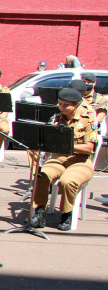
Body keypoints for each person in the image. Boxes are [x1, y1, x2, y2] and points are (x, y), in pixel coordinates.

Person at [29, 87, 97, 231]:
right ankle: (40, 211)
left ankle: (67, 213)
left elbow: (89, 148)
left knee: (67, 181)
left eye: (66, 105)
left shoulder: (88, 119)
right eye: (60, 104)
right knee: (42, 175)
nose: (61, 107)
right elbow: (48, 145)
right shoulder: (57, 118)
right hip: (59, 159)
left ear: (76, 104)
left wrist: (67, 144)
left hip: (81, 161)